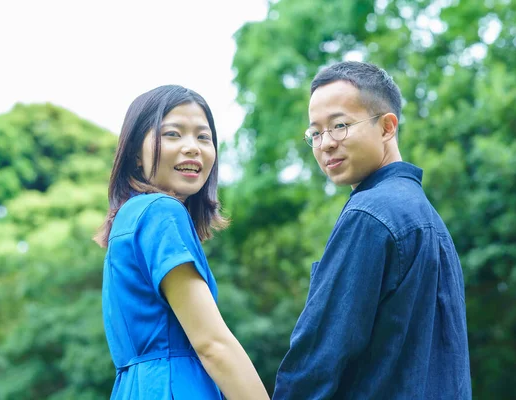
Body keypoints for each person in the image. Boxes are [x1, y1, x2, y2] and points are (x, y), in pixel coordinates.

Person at [273, 61, 471, 399]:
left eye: (339, 125)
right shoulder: (426, 218)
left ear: (387, 127)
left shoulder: (371, 214)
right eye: (315, 133)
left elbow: (318, 358)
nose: (325, 144)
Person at [94, 85, 269, 400]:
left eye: (204, 137)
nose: (193, 147)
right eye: (173, 134)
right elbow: (212, 344)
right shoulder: (162, 211)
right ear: (136, 152)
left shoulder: (130, 217)